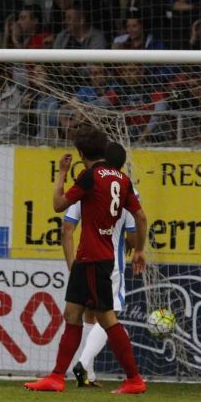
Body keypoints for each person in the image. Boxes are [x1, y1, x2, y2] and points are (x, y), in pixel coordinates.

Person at [24, 126, 147, 394]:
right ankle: (57, 377)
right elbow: (141, 218)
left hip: (93, 257)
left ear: (81, 153)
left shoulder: (89, 177)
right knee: (72, 313)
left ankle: (134, 379)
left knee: (107, 319)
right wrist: (139, 249)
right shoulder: (122, 180)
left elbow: (58, 205)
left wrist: (61, 175)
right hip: (94, 258)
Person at [63, 141, 138, 388]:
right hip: (110, 260)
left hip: (85, 257)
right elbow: (133, 230)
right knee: (109, 314)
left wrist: (72, 263)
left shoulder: (87, 181)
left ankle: (87, 372)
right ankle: (84, 364)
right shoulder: (126, 187)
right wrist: (138, 248)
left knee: (87, 314)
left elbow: (68, 226)